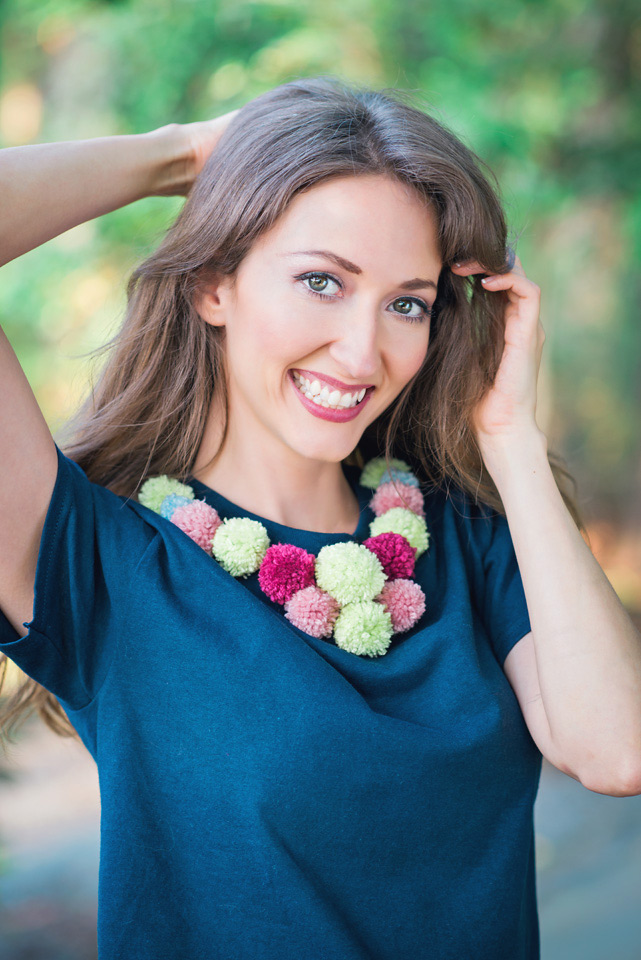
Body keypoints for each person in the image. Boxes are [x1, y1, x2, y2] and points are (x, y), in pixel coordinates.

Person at [1, 76, 640, 960]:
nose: (362, 349)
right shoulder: (99, 562)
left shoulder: (466, 532)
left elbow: (614, 751)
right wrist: (184, 154)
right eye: (319, 282)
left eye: (405, 303)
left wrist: (508, 438)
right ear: (213, 285)